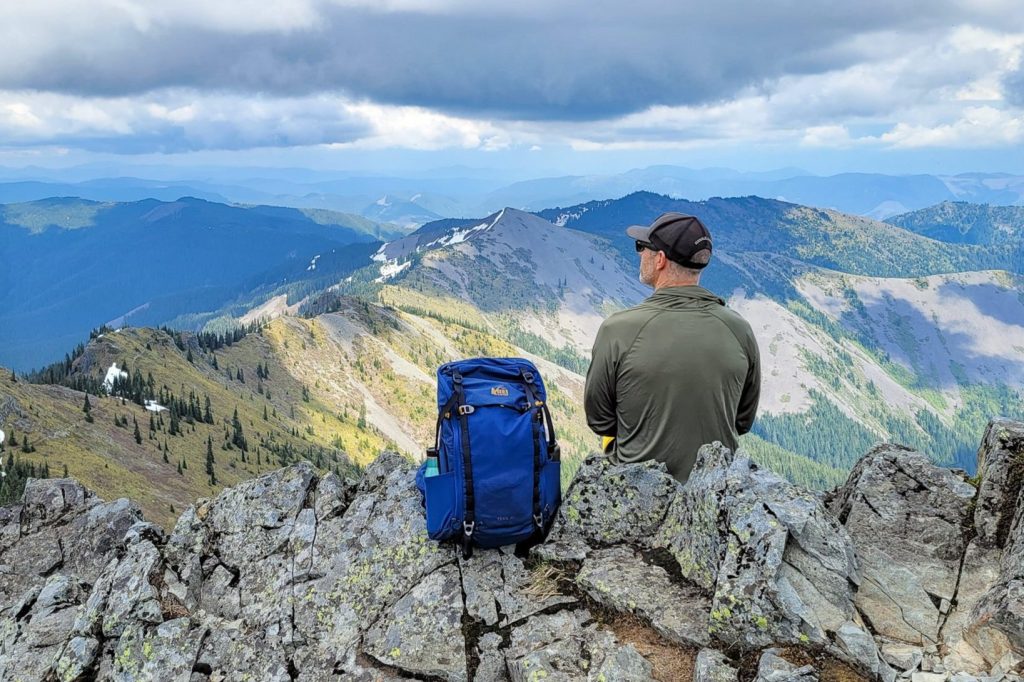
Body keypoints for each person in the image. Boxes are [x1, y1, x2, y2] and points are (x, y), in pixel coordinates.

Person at [584, 212, 760, 482]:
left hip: (637, 490)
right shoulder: (739, 329)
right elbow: (742, 421)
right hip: (716, 494)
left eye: (642, 247)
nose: (639, 253)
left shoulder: (617, 330)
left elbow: (599, 420)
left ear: (661, 259)